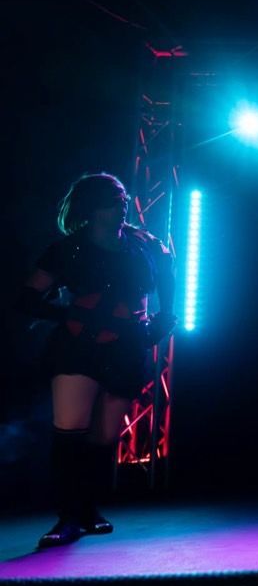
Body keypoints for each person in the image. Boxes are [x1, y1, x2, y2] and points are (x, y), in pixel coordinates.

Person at [16, 173, 176, 548]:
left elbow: (167, 279)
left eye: (122, 197)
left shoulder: (144, 245)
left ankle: (87, 509)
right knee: (70, 429)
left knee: (104, 436)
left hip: (127, 346)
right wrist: (70, 315)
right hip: (79, 345)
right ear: (92, 207)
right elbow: (27, 297)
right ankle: (67, 516)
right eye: (112, 199)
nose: (122, 204)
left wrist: (164, 319)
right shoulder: (67, 249)